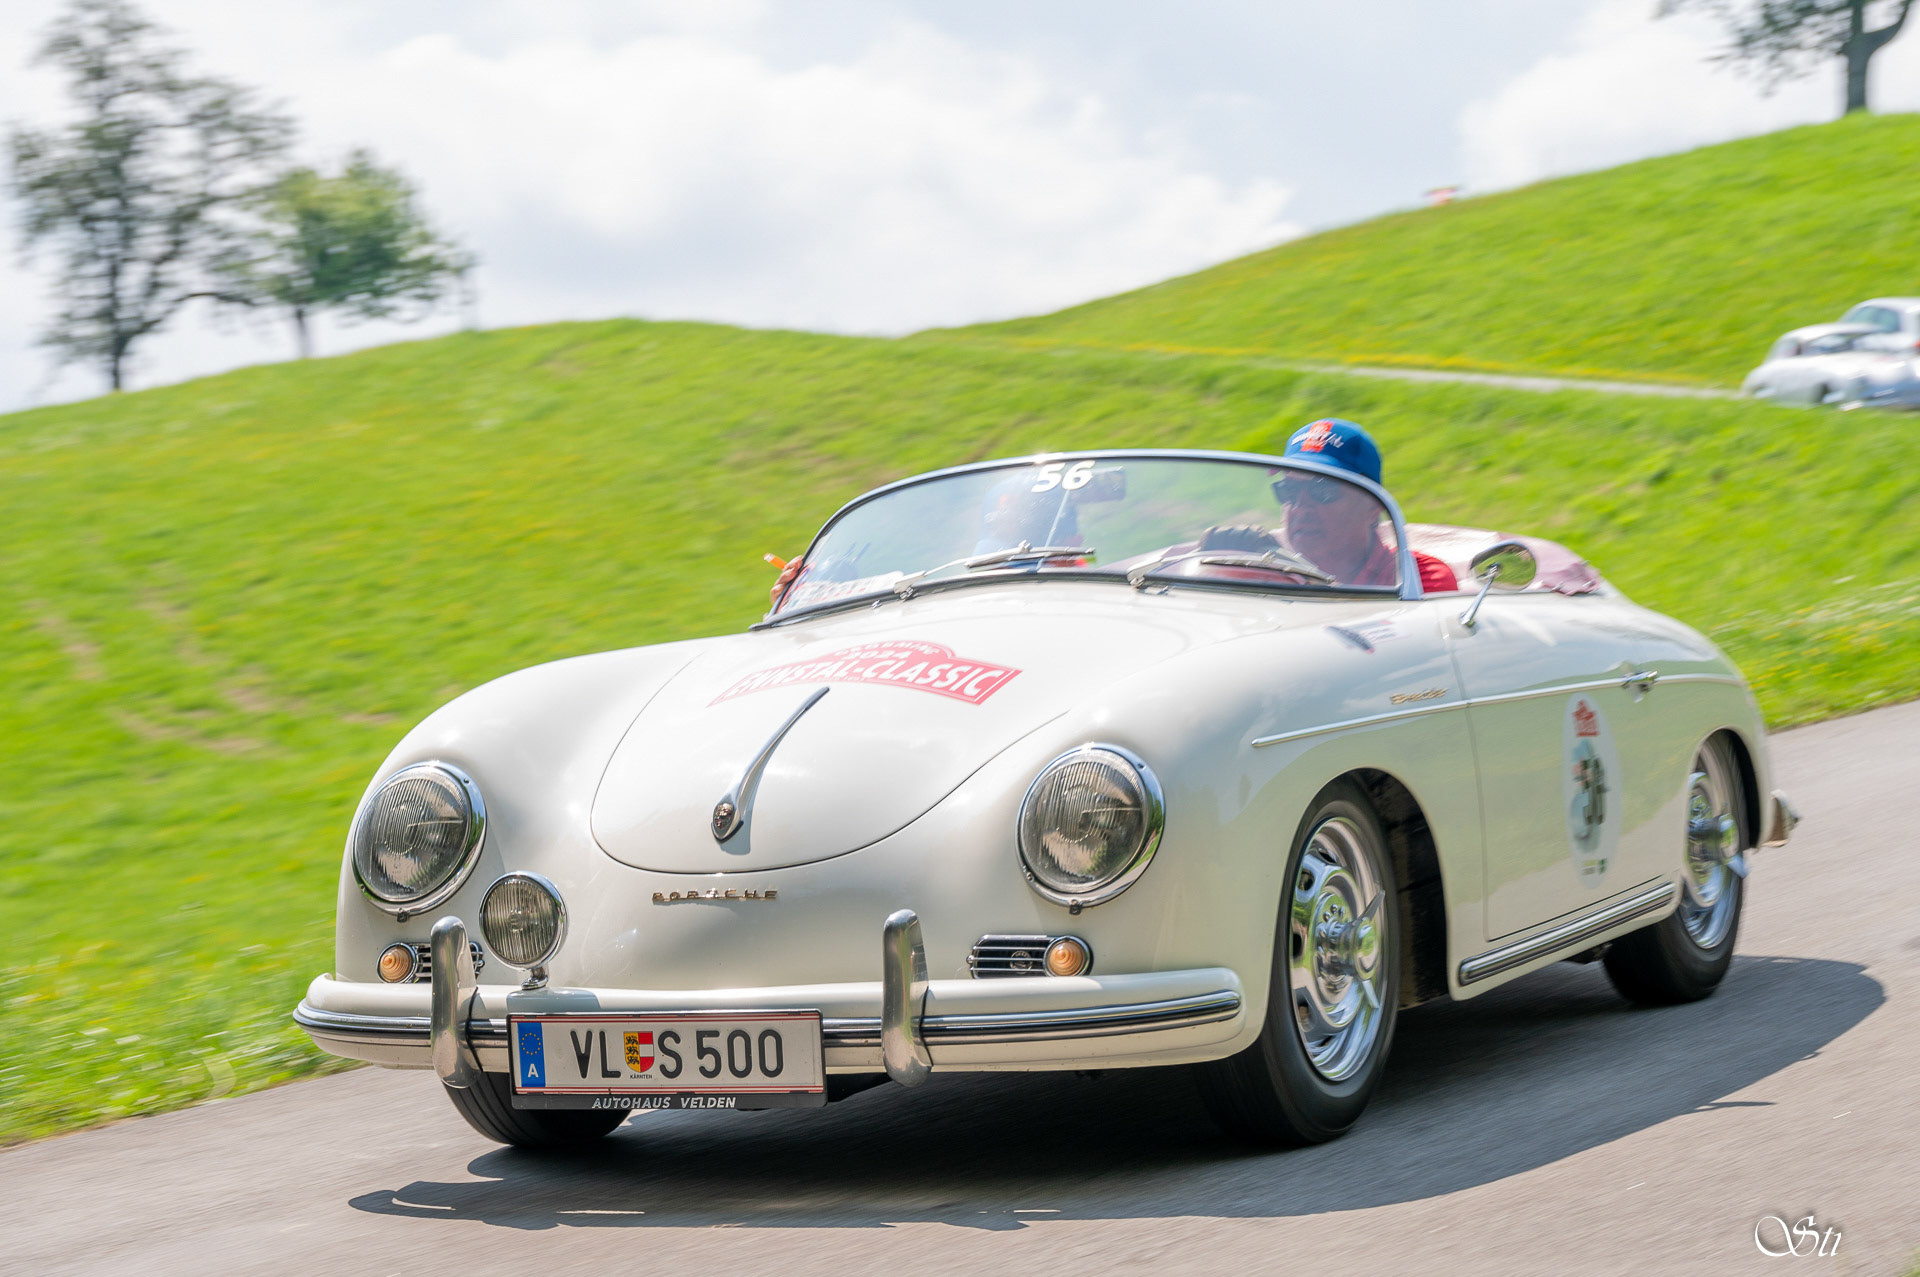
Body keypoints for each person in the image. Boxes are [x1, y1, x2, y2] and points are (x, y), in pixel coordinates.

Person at [1272, 418, 1458, 593]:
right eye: (1289, 491)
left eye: (1323, 491)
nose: (1300, 508)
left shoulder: (1418, 580)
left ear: (1373, 505)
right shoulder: (1269, 573)